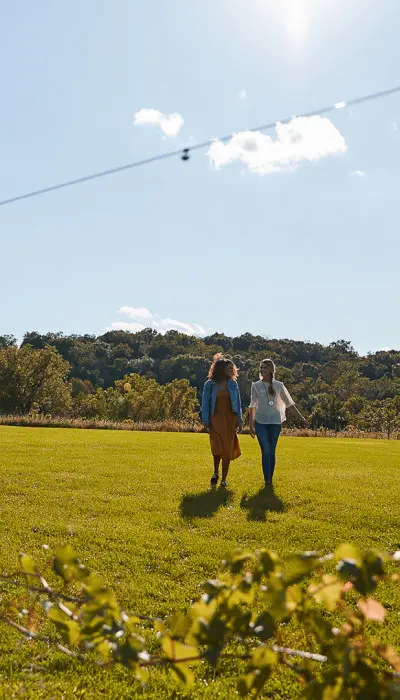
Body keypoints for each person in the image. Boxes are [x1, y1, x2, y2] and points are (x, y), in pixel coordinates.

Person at [249, 358, 308, 486]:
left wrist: (301, 417)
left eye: (265, 367)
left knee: (271, 450)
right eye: (261, 367)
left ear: (271, 370)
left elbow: (289, 404)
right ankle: (267, 480)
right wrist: (250, 425)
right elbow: (252, 405)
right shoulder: (256, 386)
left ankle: (270, 479)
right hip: (260, 422)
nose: (262, 370)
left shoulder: (279, 385)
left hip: (275, 423)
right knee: (265, 449)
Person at [201, 354, 242, 487]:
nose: (231, 371)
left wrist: (239, 420)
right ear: (220, 369)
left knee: (227, 449)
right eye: (228, 368)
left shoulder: (233, 384)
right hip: (215, 419)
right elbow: (205, 403)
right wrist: (206, 421)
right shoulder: (209, 384)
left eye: (232, 369)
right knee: (216, 447)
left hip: (230, 419)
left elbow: (238, 402)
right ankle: (215, 472)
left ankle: (224, 479)